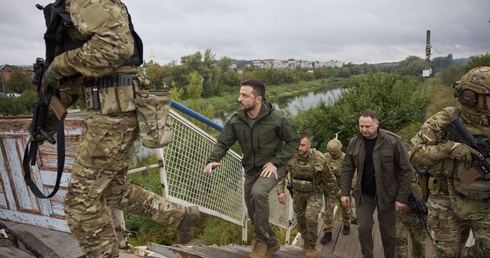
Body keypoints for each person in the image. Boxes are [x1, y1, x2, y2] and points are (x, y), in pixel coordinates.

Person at [39, 1, 200, 256]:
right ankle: (180, 217)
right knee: (114, 190)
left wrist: (58, 66)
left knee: (80, 205)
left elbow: (116, 46)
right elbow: (79, 80)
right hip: (111, 110)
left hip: (112, 113)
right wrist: (43, 122)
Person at [204, 79, 300, 258]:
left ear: (258, 99)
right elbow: (223, 143)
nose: (239, 98)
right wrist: (212, 160)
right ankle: (272, 241)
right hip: (250, 169)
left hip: (272, 167)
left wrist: (276, 161)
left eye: (244, 95)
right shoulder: (236, 119)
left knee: (258, 193)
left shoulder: (277, 118)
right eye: (240, 94)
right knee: (252, 208)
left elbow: (294, 141)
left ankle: (261, 242)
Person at [410, 66, 490, 257]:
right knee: (447, 253)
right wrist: (449, 149)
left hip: (485, 203)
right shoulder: (445, 119)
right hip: (446, 201)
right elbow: (414, 154)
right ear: (471, 96)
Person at [340, 109, 413, 258]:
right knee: (363, 228)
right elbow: (347, 168)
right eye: (361, 126)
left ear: (377, 123)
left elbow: (407, 170)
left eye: (368, 126)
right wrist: (345, 192)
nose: (364, 130)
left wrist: (401, 198)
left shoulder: (392, 141)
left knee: (388, 233)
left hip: (388, 195)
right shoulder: (354, 142)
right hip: (364, 194)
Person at [277, 132, 337, 258]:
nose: (300, 148)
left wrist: (331, 199)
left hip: (314, 194)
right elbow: (281, 173)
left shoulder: (319, 158)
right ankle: (305, 239)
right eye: (298, 145)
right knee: (301, 219)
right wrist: (280, 191)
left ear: (309, 145)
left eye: (303, 145)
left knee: (310, 218)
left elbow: (330, 179)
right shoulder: (291, 156)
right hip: (297, 194)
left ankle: (311, 245)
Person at [320, 138, 356, 245]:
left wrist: (347, 189)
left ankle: (347, 224)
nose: (333, 153)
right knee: (329, 210)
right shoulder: (325, 157)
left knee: (346, 208)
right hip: (330, 188)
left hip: (343, 188)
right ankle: (328, 232)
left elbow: (353, 175)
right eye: (331, 151)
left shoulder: (347, 158)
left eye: (335, 152)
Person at [395, 168, 427, 258]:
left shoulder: (425, 165)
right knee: (399, 240)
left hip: (418, 213)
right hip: (399, 211)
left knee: (419, 244)